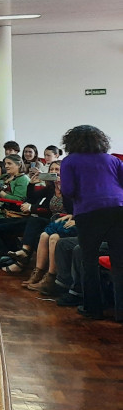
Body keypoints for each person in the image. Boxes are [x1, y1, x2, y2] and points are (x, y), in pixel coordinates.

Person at [59, 124, 123, 321]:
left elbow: (68, 190)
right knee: (120, 262)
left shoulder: (69, 161)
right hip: (119, 209)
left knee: (89, 260)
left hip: (89, 212)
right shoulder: (112, 159)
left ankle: (93, 308)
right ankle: (121, 313)